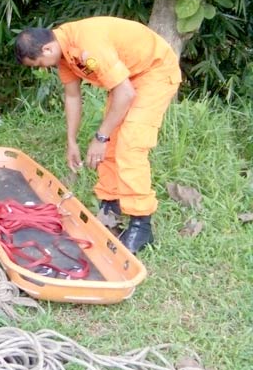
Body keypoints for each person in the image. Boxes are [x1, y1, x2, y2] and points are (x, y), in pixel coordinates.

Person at [14, 16, 182, 254]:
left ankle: (141, 224)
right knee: (113, 142)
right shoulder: (64, 55)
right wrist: (71, 141)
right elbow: (72, 97)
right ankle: (110, 206)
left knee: (130, 143)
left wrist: (100, 137)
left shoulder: (86, 43)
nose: (44, 68)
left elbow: (125, 93)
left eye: (40, 63)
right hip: (126, 80)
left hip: (153, 72)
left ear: (47, 48)